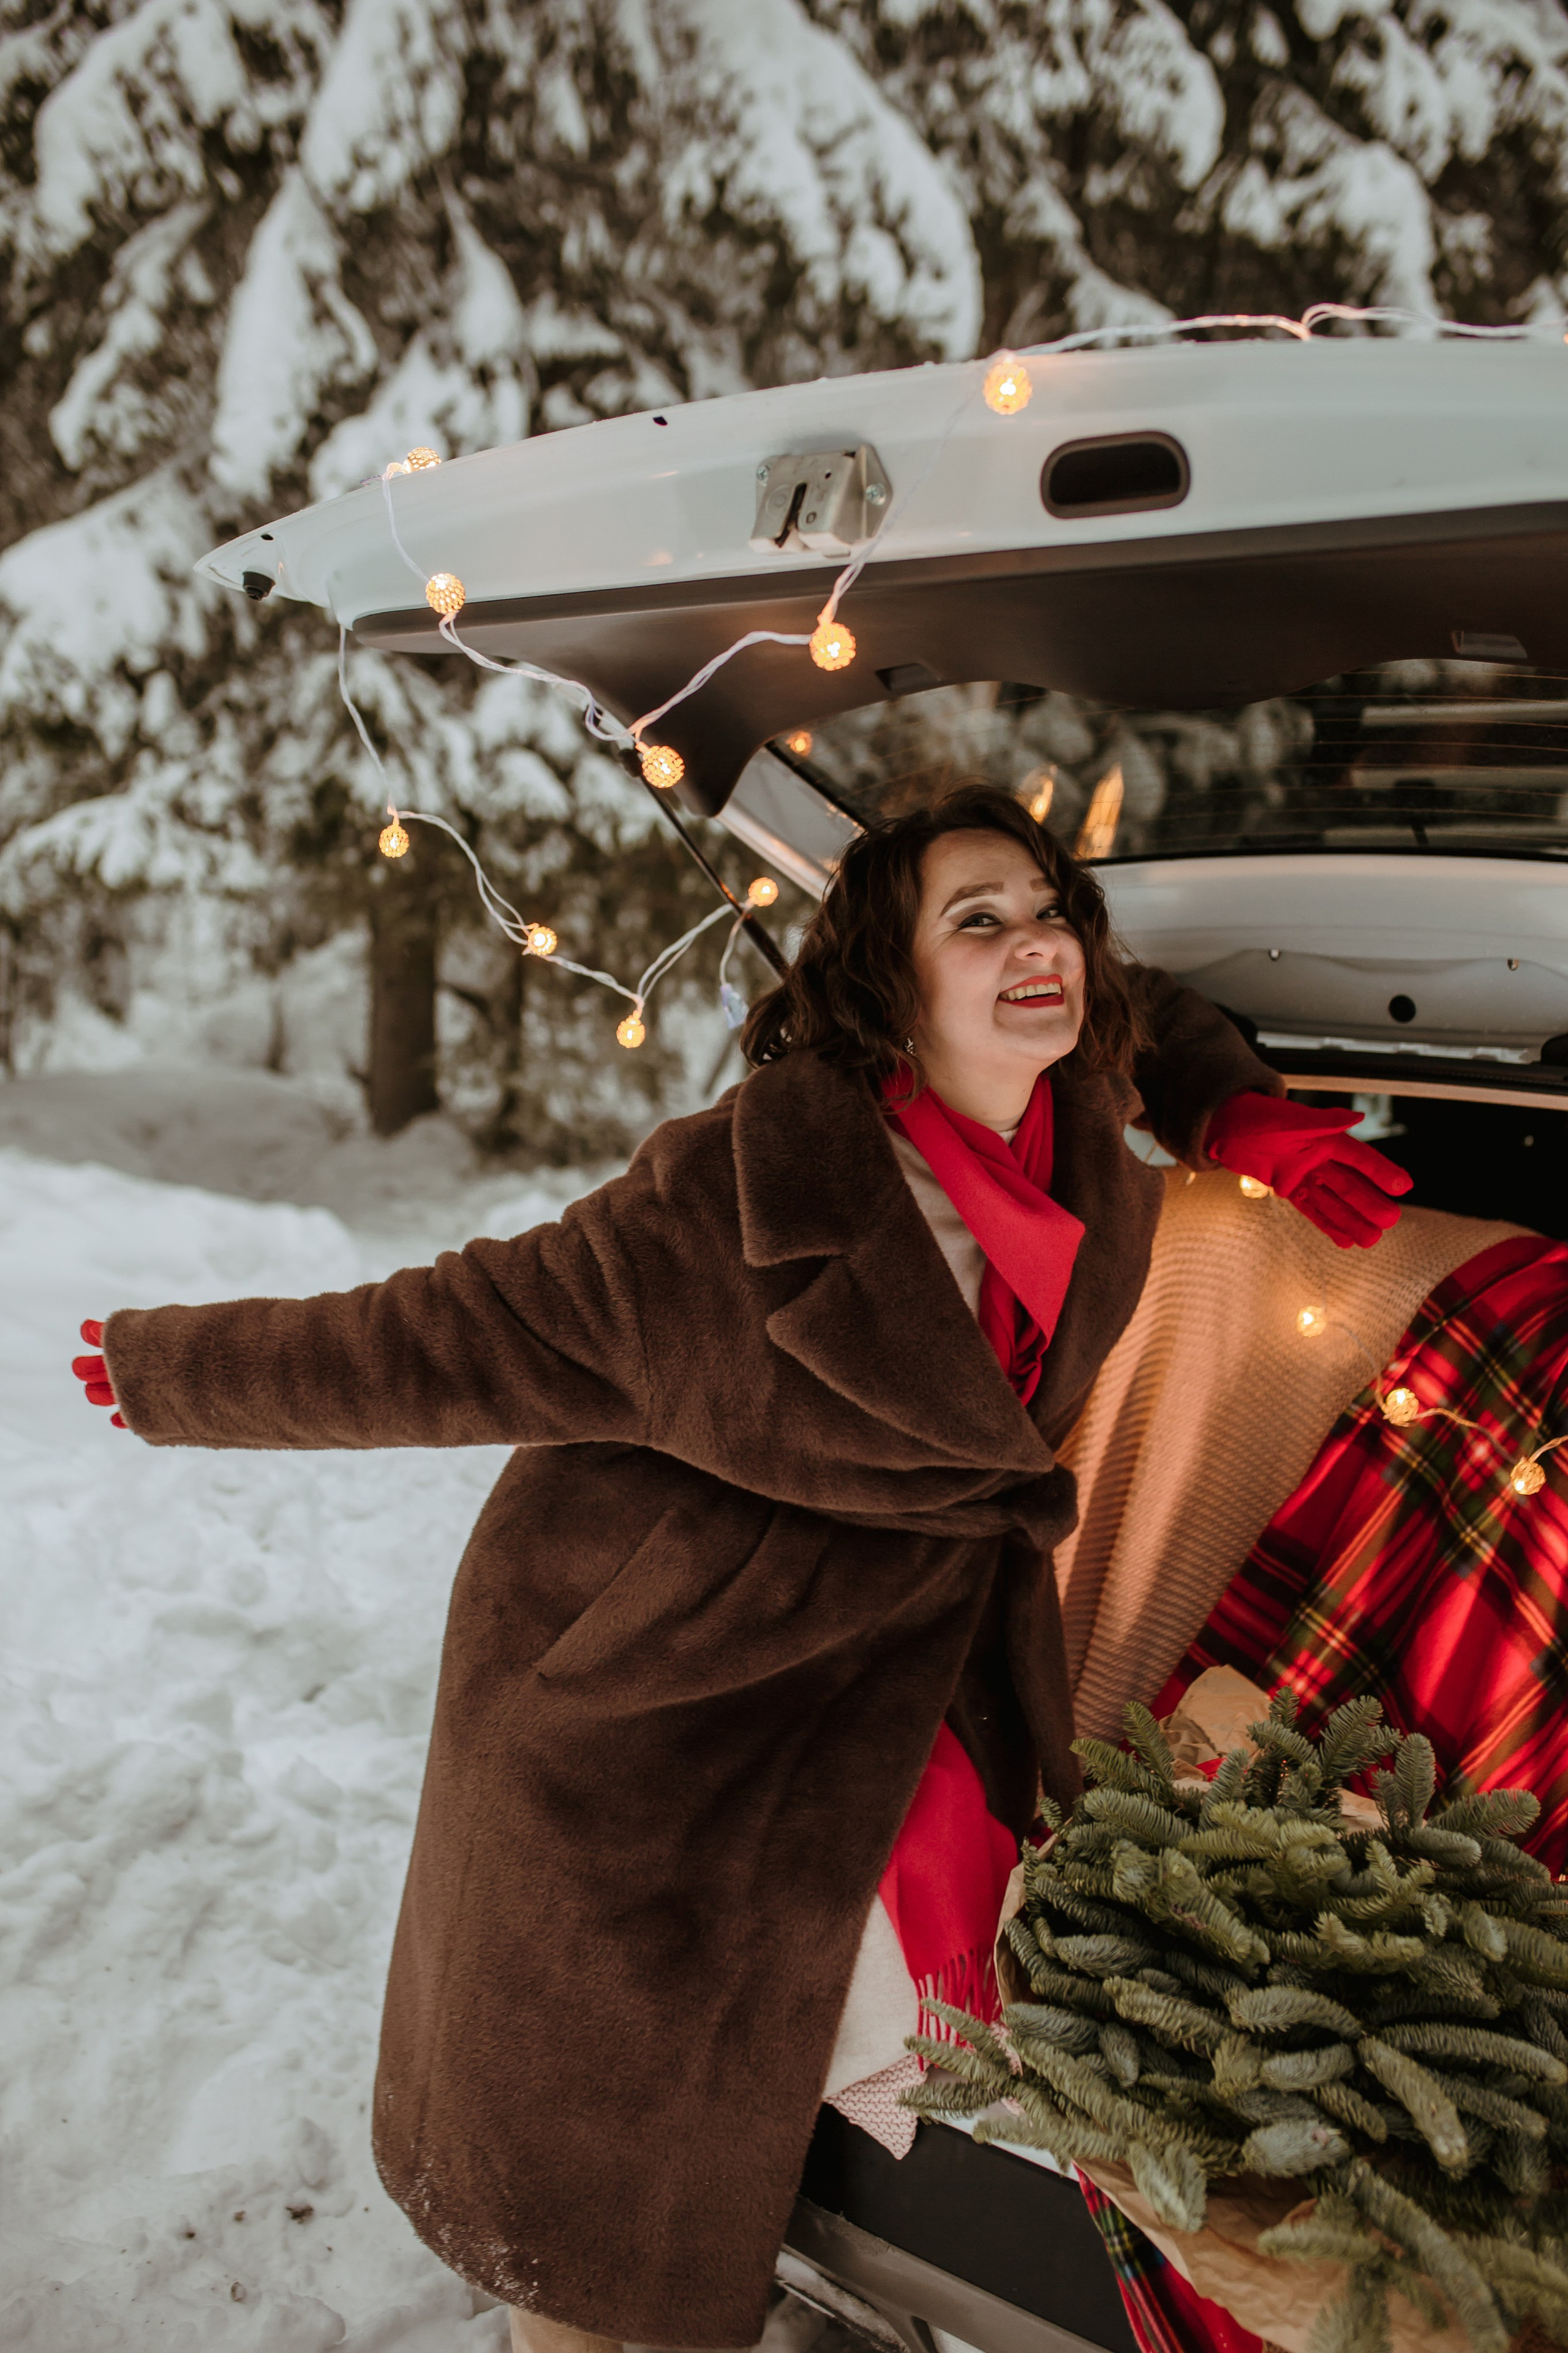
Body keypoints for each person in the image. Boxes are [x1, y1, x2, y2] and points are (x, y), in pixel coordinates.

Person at [70, 785, 1409, 2353]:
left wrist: (1221, 1104)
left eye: (1046, 908)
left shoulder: (1078, 1131)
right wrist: (178, 1370)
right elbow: (450, 1329)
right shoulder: (743, 1196)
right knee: (580, 2164)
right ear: (885, 989)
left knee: (895, 2027)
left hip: (896, 1666)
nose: (1032, 942)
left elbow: (1145, 1013)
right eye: (972, 921)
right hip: (645, 1677)